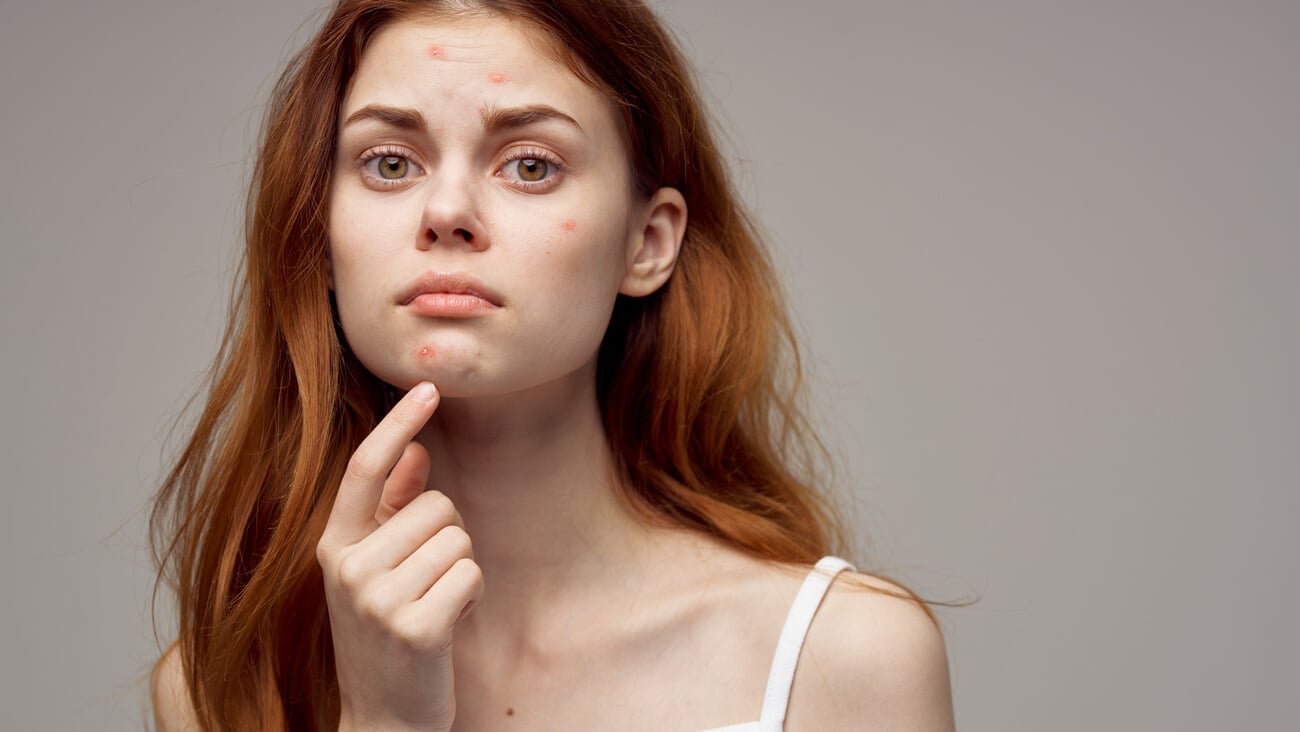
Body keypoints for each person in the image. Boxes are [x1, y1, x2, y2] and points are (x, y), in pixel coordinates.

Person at [148, 1, 956, 729]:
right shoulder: (218, 690)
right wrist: (383, 722)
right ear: (319, 238)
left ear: (648, 243)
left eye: (530, 164)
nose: (447, 213)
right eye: (390, 163)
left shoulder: (848, 661)